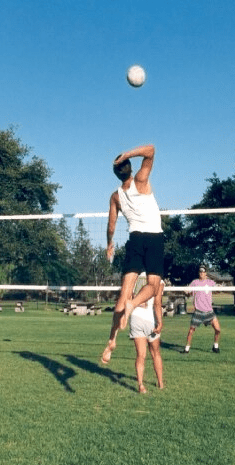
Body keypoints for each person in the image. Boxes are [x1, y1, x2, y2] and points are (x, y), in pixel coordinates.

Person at [101, 144, 164, 364]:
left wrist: (109, 243)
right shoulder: (140, 180)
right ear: (129, 167)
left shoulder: (115, 197)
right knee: (153, 286)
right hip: (154, 237)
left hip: (135, 239)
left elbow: (111, 226)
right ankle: (133, 304)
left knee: (123, 293)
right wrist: (126, 154)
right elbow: (151, 150)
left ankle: (111, 340)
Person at [129, 274, 164, 394]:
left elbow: (127, 298)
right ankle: (160, 383)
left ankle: (141, 385)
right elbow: (157, 303)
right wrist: (160, 322)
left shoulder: (133, 277)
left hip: (135, 318)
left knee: (140, 355)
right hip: (150, 320)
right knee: (155, 353)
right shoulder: (158, 279)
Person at [183, 265, 221, 354]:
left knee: (218, 330)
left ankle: (215, 347)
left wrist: (220, 288)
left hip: (209, 311)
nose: (201, 273)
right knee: (191, 331)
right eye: (200, 272)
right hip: (198, 311)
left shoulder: (210, 282)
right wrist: (185, 292)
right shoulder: (195, 282)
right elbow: (189, 294)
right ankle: (186, 349)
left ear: (206, 273)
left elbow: (217, 291)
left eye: (203, 272)